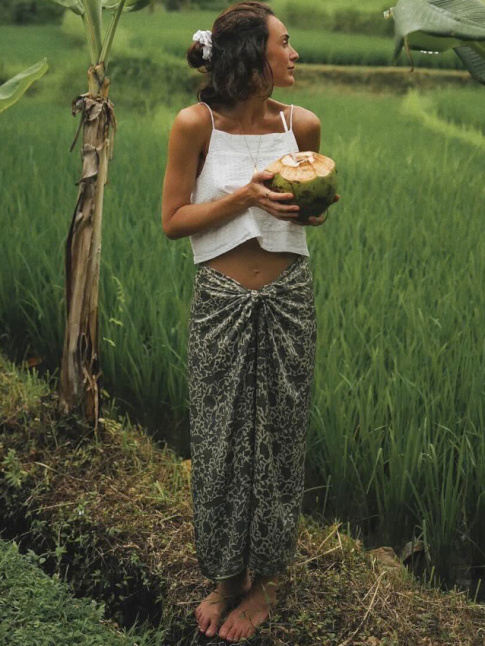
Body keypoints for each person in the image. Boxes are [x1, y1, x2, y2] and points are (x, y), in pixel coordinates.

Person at [161, 1, 340, 642]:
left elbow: (307, 213)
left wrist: (309, 211)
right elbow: (173, 220)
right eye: (284, 43)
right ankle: (225, 576)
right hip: (221, 300)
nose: (295, 54)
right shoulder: (195, 124)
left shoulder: (303, 124)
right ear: (250, 56)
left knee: (279, 437)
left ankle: (263, 582)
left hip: (290, 296)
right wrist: (243, 195)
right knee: (218, 437)